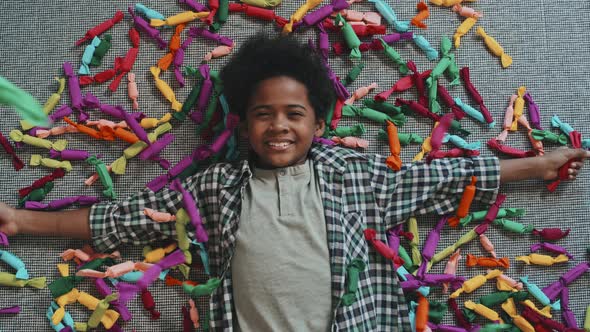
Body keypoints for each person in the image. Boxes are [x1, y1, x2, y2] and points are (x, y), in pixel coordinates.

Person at [0, 35, 588, 331]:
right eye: (264, 114)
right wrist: (22, 219)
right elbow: (123, 219)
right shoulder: (216, 189)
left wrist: (535, 165)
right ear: (244, 122)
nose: (278, 125)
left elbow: (442, 177)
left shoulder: (353, 179)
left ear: (319, 120)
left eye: (293, 114)